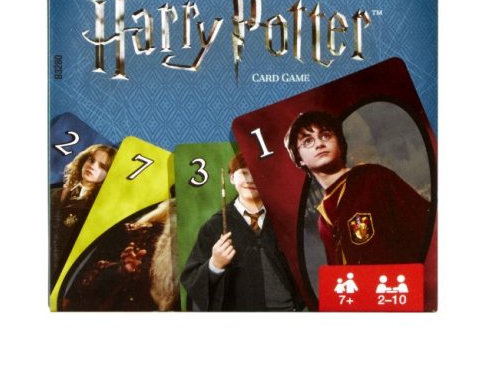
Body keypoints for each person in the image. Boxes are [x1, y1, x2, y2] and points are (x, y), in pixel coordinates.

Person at [284, 111, 431, 266]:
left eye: (325, 135)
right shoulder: (324, 221)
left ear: (339, 143)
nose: (319, 144)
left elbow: (427, 228)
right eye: (307, 141)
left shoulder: (373, 177)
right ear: (299, 159)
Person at [180, 153, 302, 311]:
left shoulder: (285, 220)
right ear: (231, 178)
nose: (250, 180)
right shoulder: (215, 226)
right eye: (244, 173)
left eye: (256, 173)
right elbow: (192, 282)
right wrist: (215, 264)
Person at [50, 143, 116, 289]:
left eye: (102, 166)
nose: (92, 166)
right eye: (91, 160)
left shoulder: (99, 210)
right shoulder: (54, 193)